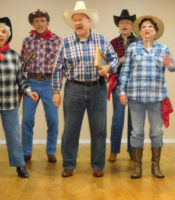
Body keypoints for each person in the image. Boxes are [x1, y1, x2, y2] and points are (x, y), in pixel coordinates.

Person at [51, 1, 119, 177]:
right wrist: (56, 92)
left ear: (89, 21)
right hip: (74, 90)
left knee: (99, 130)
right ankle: (68, 165)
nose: (78, 23)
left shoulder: (102, 40)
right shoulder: (65, 43)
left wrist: (108, 68)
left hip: (98, 89)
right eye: (75, 20)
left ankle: (98, 166)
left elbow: (115, 60)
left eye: (81, 19)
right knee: (71, 130)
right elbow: (58, 68)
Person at [118, 15, 175, 179]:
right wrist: (122, 92)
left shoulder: (163, 49)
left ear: (155, 31)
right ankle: (137, 167)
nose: (147, 29)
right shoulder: (132, 49)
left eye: (150, 27)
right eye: (144, 27)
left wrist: (166, 60)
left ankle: (155, 166)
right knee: (136, 132)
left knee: (156, 132)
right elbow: (125, 72)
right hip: (135, 98)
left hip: (157, 98)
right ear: (139, 31)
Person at [21, 9, 62, 163]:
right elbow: (21, 64)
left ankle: (51, 151)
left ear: (47, 22)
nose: (40, 24)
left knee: (53, 119)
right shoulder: (27, 40)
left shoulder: (57, 40)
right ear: (33, 23)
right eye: (36, 21)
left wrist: (57, 67)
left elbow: (63, 64)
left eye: (42, 20)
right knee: (27, 120)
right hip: (31, 82)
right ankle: (26, 151)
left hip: (49, 84)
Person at [0, 17, 38, 178]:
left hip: (9, 103)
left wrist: (28, 91)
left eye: (3, 32)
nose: (0, 34)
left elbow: (21, 78)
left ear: (8, 35)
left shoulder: (13, 56)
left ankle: (20, 166)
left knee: (14, 135)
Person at [108, 9, 138, 162]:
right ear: (118, 25)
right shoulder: (112, 43)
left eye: (127, 22)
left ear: (132, 25)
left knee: (134, 120)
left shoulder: (140, 42)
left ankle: (132, 150)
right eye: (122, 23)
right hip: (118, 84)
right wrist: (120, 60)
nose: (124, 25)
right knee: (117, 119)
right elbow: (110, 65)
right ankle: (114, 150)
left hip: (135, 85)